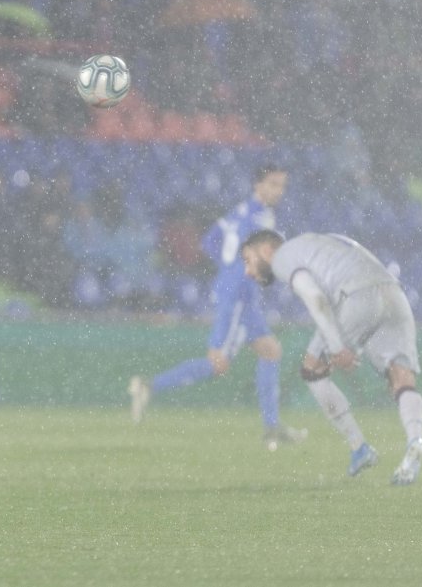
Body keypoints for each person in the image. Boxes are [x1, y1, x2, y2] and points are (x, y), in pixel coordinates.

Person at [128, 164, 306, 450]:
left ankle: (272, 427)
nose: (278, 191)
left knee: (271, 351)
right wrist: (238, 275)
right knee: (217, 364)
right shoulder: (257, 218)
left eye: (282, 185)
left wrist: (227, 269)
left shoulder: (240, 211)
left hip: (238, 291)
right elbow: (258, 258)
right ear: (257, 184)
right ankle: (149, 386)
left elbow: (209, 241)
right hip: (239, 295)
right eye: (272, 184)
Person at [240, 229, 422, 485]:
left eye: (248, 260)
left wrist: (337, 347)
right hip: (393, 291)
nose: (248, 271)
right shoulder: (319, 241)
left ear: (266, 251)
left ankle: (359, 447)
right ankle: (415, 443)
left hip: (356, 296)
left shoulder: (283, 256)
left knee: (312, 370)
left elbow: (315, 297)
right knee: (402, 378)